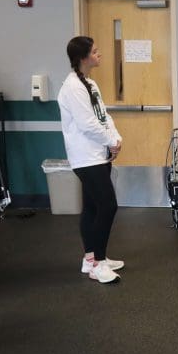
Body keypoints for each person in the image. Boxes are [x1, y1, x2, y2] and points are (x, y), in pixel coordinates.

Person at [57, 36, 124, 284]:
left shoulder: (90, 84)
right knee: (108, 206)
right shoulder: (72, 87)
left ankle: (90, 259)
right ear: (83, 57)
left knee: (93, 207)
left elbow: (103, 116)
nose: (99, 54)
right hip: (86, 157)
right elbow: (87, 125)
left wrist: (116, 138)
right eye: (95, 51)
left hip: (99, 154)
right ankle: (99, 262)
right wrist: (110, 142)